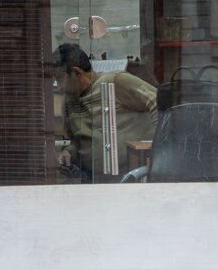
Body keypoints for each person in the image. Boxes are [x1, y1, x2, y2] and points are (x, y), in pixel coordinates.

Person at [53, 43, 157, 181]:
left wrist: (159, 146)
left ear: (77, 73)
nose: (58, 87)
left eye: (60, 79)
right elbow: (78, 142)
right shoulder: (68, 101)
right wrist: (68, 152)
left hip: (131, 176)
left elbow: (158, 102)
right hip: (91, 180)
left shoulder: (115, 82)